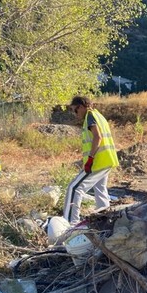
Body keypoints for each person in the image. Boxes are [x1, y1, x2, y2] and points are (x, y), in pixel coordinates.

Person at [63, 96, 119, 225]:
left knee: (74, 188)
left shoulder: (90, 116)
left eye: (75, 110)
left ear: (82, 106)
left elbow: (97, 137)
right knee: (100, 191)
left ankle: (70, 224)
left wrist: (90, 159)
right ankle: (105, 221)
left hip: (98, 162)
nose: (75, 114)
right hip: (107, 160)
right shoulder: (99, 115)